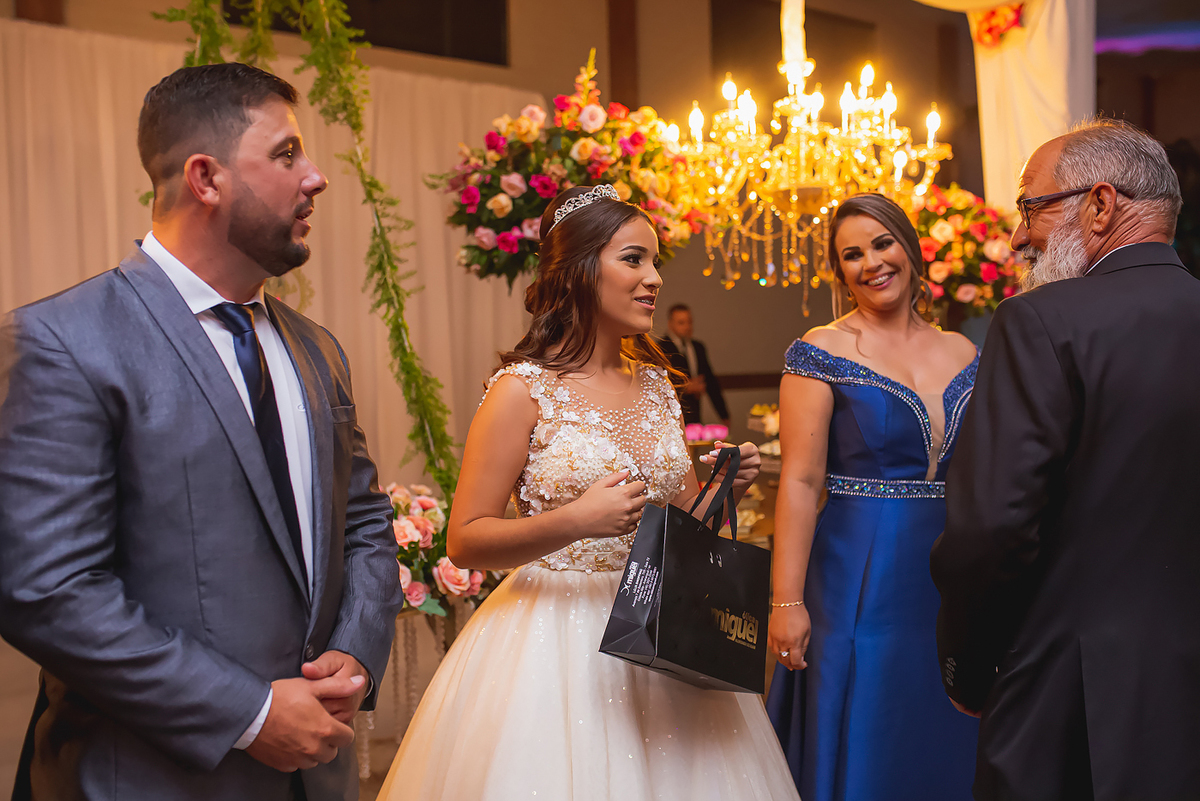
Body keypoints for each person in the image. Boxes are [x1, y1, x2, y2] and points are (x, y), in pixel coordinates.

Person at [0, 64, 402, 801]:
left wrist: (356, 650)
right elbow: (47, 589)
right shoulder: (65, 341)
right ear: (206, 178)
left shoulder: (318, 349)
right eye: (286, 154)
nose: (315, 177)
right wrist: (248, 713)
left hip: (318, 776)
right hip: (150, 779)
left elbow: (366, 521)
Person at [376, 184, 798, 800]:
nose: (654, 278)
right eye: (633, 259)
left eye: (655, 261)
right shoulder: (521, 390)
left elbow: (681, 525)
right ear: (579, 269)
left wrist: (722, 488)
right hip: (553, 638)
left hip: (662, 629)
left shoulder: (658, 386)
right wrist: (576, 520)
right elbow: (464, 541)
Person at [931, 120, 1197, 799]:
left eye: (1032, 207)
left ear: (1100, 205)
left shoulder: (1041, 320)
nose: (1019, 237)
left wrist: (968, 665)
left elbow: (991, 527)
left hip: (1071, 696)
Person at [764, 193, 980, 801]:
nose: (872, 263)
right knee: (869, 716)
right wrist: (786, 601)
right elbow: (800, 482)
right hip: (858, 571)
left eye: (882, 244)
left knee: (943, 720)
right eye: (852, 255)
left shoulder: (965, 351)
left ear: (909, 249)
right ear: (841, 272)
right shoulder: (821, 350)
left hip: (948, 573)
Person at [657, 304, 731, 427]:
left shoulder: (697, 347)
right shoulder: (661, 348)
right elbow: (658, 383)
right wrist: (685, 387)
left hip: (695, 411)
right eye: (681, 323)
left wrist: (723, 414)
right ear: (670, 324)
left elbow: (711, 381)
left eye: (689, 322)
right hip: (671, 413)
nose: (687, 327)